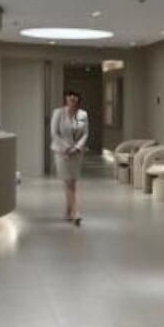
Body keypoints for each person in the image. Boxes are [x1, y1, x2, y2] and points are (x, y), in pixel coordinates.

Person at [50, 90, 89, 226]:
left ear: (78, 99)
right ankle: (76, 212)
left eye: (75, 96)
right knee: (68, 182)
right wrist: (67, 148)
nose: (72, 98)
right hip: (62, 152)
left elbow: (85, 133)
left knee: (73, 182)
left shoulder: (83, 114)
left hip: (77, 153)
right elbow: (54, 133)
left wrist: (77, 148)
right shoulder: (58, 113)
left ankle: (68, 211)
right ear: (66, 99)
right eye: (70, 96)